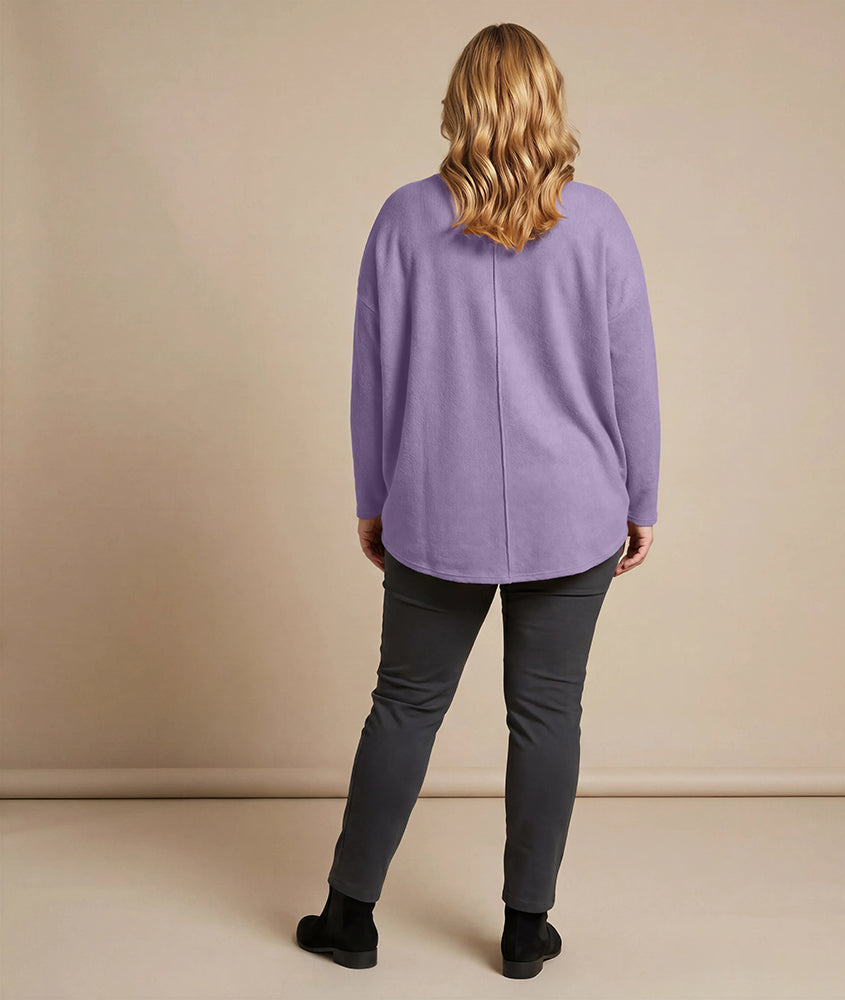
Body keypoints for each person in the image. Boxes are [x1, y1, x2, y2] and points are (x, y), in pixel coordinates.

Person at [296, 22, 660, 980]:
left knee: (403, 707)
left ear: (459, 105)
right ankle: (525, 930)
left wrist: (375, 496)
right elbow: (633, 376)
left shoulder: (402, 219)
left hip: (434, 505)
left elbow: (374, 377)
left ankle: (348, 917)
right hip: (575, 509)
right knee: (548, 716)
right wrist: (642, 497)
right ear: (550, 103)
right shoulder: (601, 224)